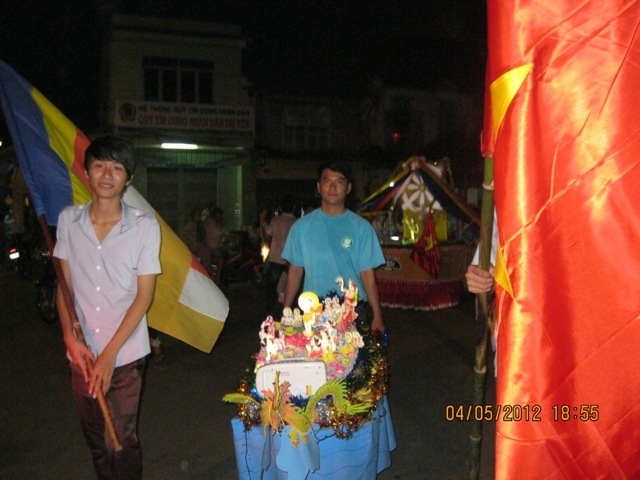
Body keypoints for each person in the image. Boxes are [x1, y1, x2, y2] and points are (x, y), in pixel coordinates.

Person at [53, 135, 161, 480]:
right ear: (86, 172)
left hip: (125, 356)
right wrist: (69, 338)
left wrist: (110, 354)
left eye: (117, 168)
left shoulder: (144, 227)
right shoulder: (69, 221)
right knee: (97, 442)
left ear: (128, 179)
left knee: (121, 441)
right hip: (82, 356)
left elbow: (144, 296)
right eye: (99, 165)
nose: (107, 174)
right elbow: (63, 286)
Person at [281, 161, 386, 333]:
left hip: (351, 311)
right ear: (319, 187)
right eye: (327, 181)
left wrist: (377, 314)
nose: (332, 187)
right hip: (314, 311)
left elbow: (367, 274)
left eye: (339, 182)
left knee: (356, 351)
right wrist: (286, 310)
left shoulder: (361, 227)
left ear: (348, 188)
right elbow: (295, 270)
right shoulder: (301, 227)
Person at [260, 194, 297, 315]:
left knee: (271, 286)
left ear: (281, 207)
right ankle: (291, 308)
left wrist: (262, 220)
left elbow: (268, 233)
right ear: (293, 207)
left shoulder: (276, 220)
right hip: (291, 260)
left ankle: (270, 310)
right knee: (293, 285)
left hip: (276, 258)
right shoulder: (296, 222)